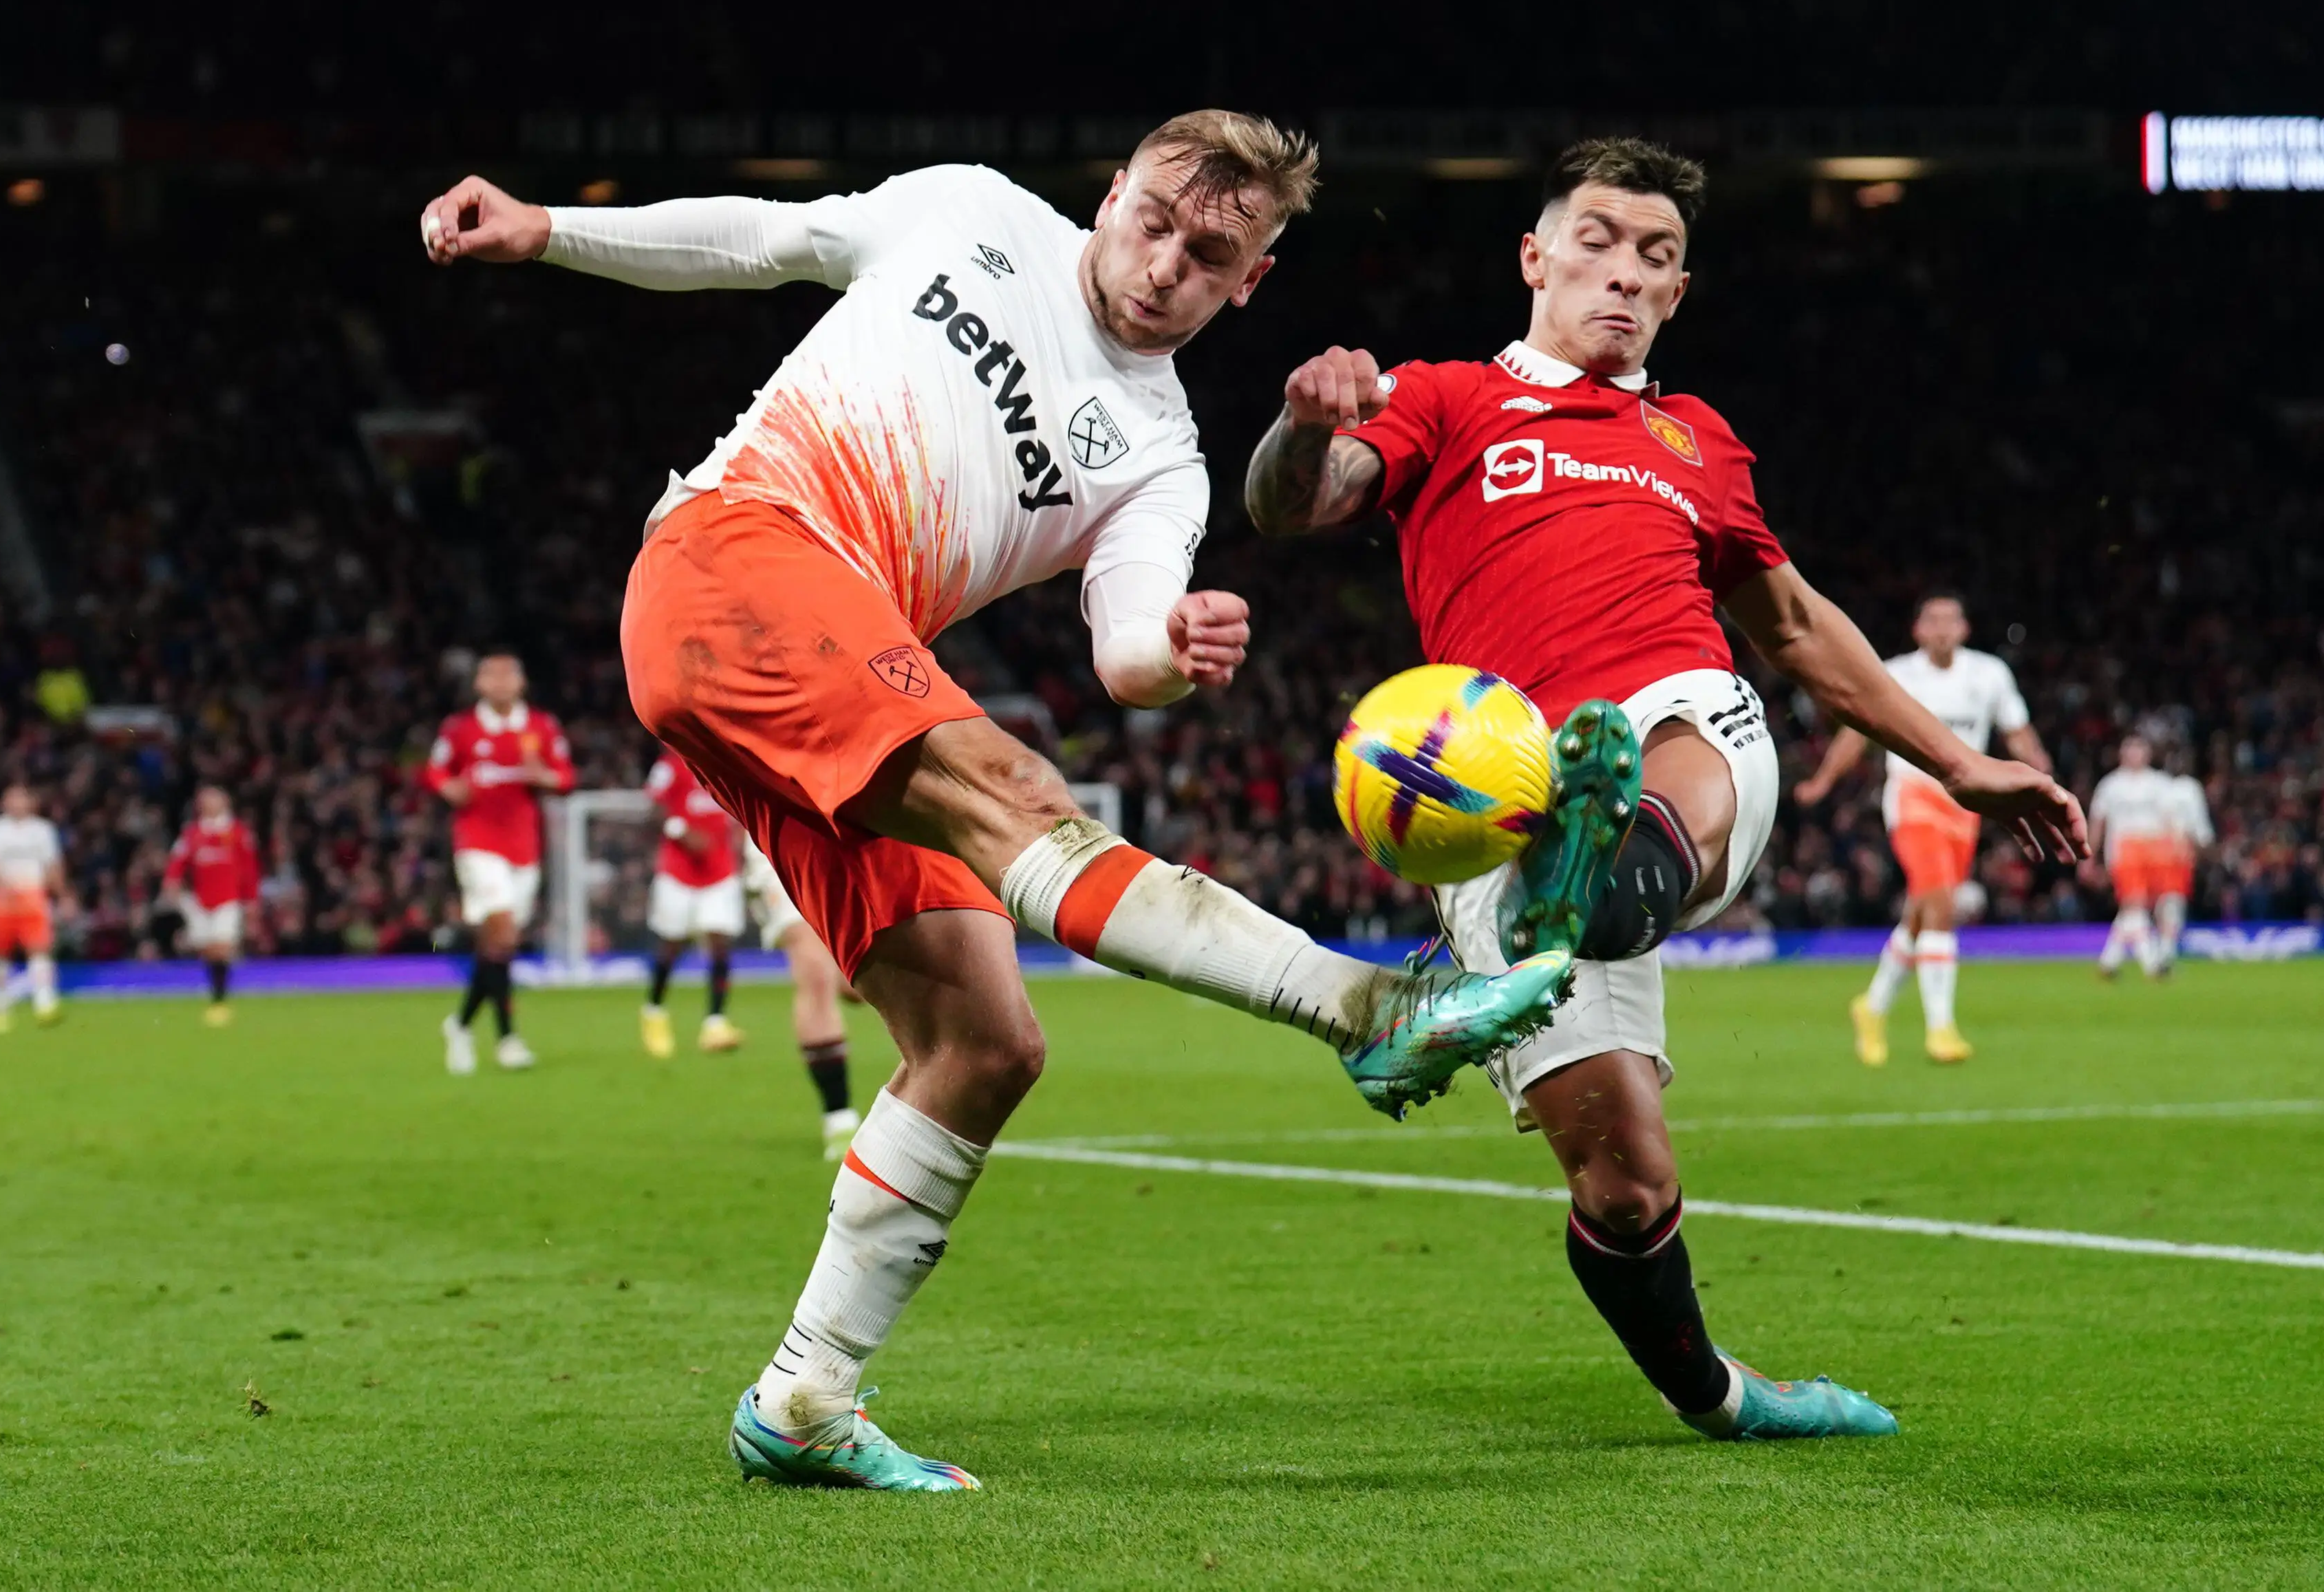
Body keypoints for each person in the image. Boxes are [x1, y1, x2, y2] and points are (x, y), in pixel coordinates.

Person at [419, 109, 1573, 1491]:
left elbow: (1126, 648)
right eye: (1153, 219)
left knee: (984, 1039)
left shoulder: (1163, 455)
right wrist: (547, 229)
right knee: (1018, 788)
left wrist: (1178, 647)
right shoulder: (967, 210)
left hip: (828, 652)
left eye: (1210, 255)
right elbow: (769, 240)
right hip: (739, 554)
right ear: (1114, 190)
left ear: (1251, 279)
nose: (1164, 265)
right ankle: (1367, 1008)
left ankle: (804, 1398)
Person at [1243, 136, 2084, 1443]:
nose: (1624, 273)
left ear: (1679, 294)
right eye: (1597, 241)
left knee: (1669, 757)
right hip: (1491, 786)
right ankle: (1721, 1393)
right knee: (1627, 1185)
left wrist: (1962, 762)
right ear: (1533, 257)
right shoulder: (1448, 397)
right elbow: (1294, 505)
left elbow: (1796, 626)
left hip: (1673, 719)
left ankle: (1555, 905)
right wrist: (1304, 425)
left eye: (1657, 256)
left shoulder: (1694, 440)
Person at [1792, 593, 2050, 1064]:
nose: (1942, 629)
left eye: (1951, 620)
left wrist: (2041, 772)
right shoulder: (1896, 674)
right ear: (1918, 630)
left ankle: (1871, 1007)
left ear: (1965, 629)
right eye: (1932, 620)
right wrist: (1824, 780)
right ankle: (1941, 1028)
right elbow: (1858, 731)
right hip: (1912, 797)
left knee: (1922, 910)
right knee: (1940, 902)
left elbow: (2017, 730)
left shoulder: (1989, 674)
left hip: (1963, 805)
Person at [422, 650, 574, 1072]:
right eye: (493, 676)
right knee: (503, 936)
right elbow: (435, 771)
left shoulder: (541, 727)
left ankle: (460, 1023)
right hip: (477, 843)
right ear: (479, 685)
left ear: (522, 684)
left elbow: (565, 777)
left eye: (510, 675)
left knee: (497, 946)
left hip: (524, 846)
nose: (502, 683)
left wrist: (541, 775)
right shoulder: (461, 730)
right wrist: (449, 787)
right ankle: (508, 1039)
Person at [744, 839, 865, 1160]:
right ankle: (840, 1121)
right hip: (779, 838)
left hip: (847, 834)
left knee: (856, 986)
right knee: (815, 972)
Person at [641, 748, 747, 1057]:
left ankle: (715, 1022)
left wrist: (740, 845)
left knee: (720, 943)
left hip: (721, 869)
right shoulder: (671, 765)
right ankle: (654, 1011)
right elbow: (653, 809)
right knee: (671, 945)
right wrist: (682, 831)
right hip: (678, 871)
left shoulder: (727, 763)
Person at [2085, 736, 2213, 981]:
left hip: (2157, 853)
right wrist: (2089, 856)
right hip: (2123, 852)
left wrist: (2179, 846)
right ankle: (2152, 964)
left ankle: (2109, 962)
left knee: (2137, 907)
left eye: (2139, 750)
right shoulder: (2111, 785)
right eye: (2130, 749)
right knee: (2135, 904)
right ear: (2122, 753)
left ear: (2148, 754)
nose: (2135, 755)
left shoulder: (2159, 783)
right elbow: (2098, 824)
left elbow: (2171, 819)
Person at [162, 784, 261, 1026]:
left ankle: (219, 1000)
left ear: (225, 803)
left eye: (213, 800)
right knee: (208, 949)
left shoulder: (238, 832)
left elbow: (250, 869)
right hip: (200, 901)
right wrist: (172, 881)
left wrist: (251, 901)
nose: (207, 804)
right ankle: (215, 990)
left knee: (222, 945)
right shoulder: (193, 833)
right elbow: (178, 860)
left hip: (228, 899)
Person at [0, 784, 67, 1031]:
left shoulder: (43, 830)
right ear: (4, 802)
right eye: (12, 798)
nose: (17, 803)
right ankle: (0, 1007)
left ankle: (45, 1004)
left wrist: (64, 895)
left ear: (31, 802)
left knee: (39, 950)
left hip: (33, 897)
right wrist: (1, 886)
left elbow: (53, 866)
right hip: (2, 900)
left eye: (22, 798)